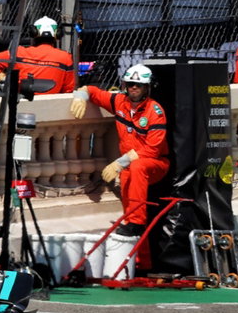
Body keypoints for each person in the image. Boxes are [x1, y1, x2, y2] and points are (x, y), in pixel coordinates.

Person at [70, 63, 170, 236]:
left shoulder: (155, 112)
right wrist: (80, 96)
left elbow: (152, 150)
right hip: (129, 166)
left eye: (138, 85)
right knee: (128, 182)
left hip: (156, 163)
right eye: (130, 84)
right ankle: (140, 260)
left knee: (137, 168)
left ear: (147, 87)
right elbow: (92, 90)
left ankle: (137, 223)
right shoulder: (119, 102)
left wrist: (120, 162)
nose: (134, 88)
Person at [0, 16, 76, 94]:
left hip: (21, 102)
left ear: (33, 33)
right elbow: (68, 90)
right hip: (51, 104)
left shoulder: (19, 52)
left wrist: (7, 84)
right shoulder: (66, 58)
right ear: (57, 34)